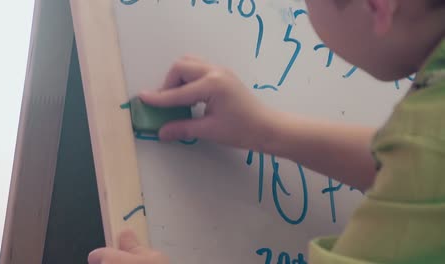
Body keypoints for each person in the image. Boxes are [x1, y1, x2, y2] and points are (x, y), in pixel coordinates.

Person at [88, 0, 445, 263]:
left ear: (377, 7)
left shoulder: (427, 136)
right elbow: (410, 169)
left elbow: (423, 158)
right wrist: (264, 130)